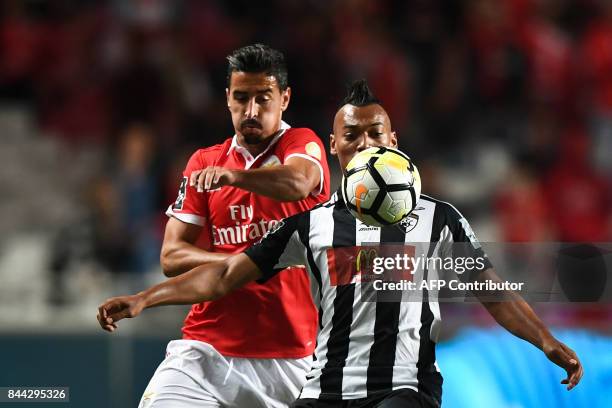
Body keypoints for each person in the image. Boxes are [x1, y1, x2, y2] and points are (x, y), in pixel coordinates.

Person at [99, 80, 582, 408]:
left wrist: (545, 340)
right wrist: (146, 298)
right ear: (335, 147)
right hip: (325, 387)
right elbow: (226, 273)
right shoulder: (310, 226)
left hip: (405, 388)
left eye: (376, 132)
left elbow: (492, 291)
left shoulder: (439, 219)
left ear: (394, 139)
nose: (366, 141)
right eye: (352, 134)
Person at [137, 44, 330, 408]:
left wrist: (233, 177)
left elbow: (298, 183)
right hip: (206, 350)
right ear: (227, 99)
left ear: (285, 99)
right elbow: (172, 255)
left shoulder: (302, 144)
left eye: (263, 98)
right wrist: (242, 263)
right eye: (241, 98)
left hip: (293, 356)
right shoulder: (203, 162)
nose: (251, 111)